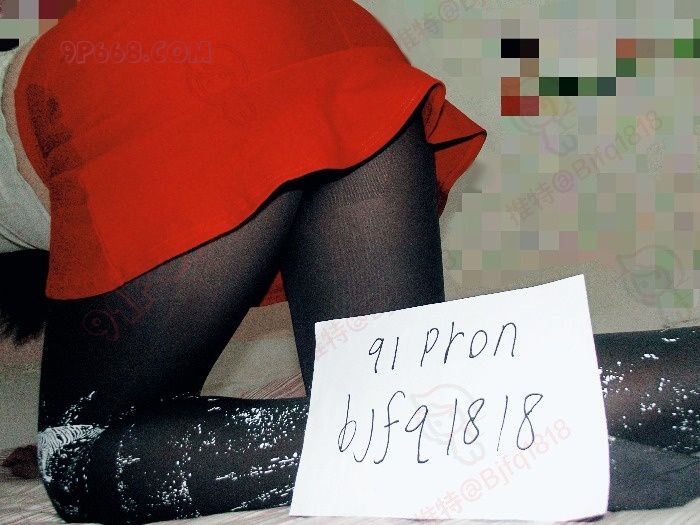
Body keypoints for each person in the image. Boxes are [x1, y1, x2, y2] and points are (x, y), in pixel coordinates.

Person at [0, 1, 697, 523]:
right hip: (330, 33)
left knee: (80, 457)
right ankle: (485, 432)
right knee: (394, 385)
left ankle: (483, 440)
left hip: (156, 56)